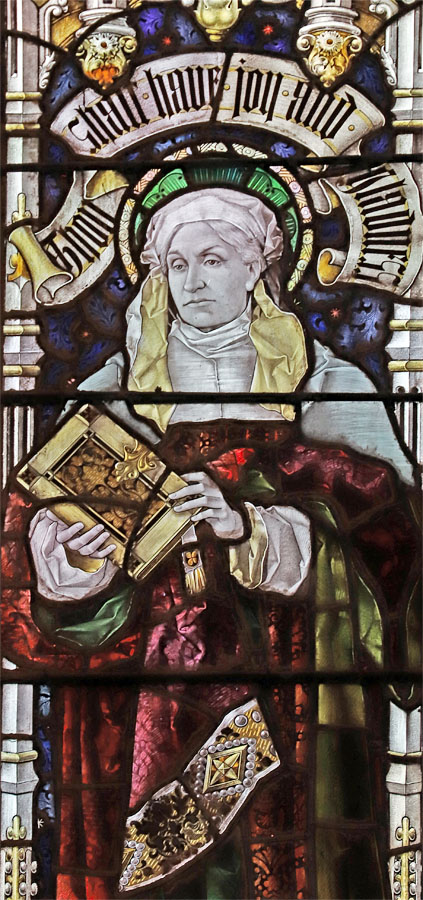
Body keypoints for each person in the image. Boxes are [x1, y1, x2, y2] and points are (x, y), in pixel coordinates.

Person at [3, 190, 419, 900]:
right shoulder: (111, 392)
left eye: (213, 259)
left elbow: (394, 550)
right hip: (140, 699)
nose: (191, 281)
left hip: (290, 697)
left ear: (258, 268)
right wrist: (68, 564)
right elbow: (32, 544)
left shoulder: (328, 385)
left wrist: (252, 530)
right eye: (174, 264)